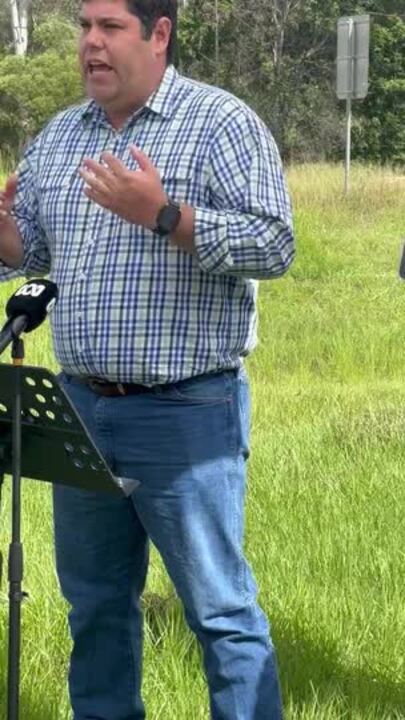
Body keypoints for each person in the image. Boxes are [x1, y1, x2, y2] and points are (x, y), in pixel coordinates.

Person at [0, 0, 295, 718]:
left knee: (219, 611)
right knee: (95, 607)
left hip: (186, 412)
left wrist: (164, 215)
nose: (90, 45)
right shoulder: (62, 135)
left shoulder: (219, 122)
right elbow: (29, 254)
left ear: (158, 34)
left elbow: (274, 245)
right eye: (83, 28)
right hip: (80, 407)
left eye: (109, 28)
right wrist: (3, 230)